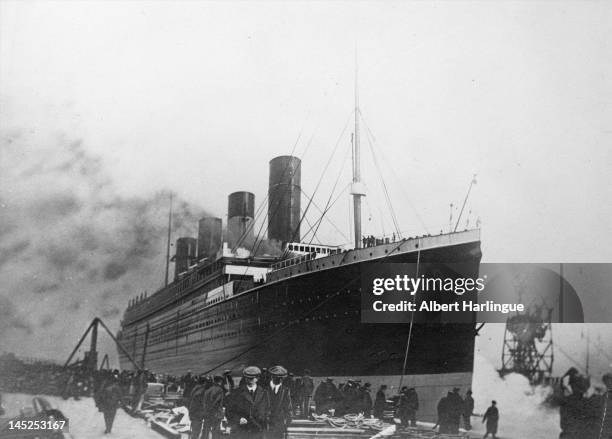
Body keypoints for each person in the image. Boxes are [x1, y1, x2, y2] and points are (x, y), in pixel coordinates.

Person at [226, 366, 269, 439]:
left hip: (258, 431)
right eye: (247, 378)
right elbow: (229, 411)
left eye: (252, 378)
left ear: (257, 378)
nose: (249, 380)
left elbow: (268, 410)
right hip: (242, 431)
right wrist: (238, 419)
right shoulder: (236, 393)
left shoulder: (264, 393)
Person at [266, 365, 292, 439]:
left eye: (282, 378)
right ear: (272, 376)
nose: (280, 380)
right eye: (277, 377)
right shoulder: (264, 389)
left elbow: (288, 407)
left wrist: (287, 422)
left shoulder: (286, 390)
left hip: (280, 423)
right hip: (266, 422)